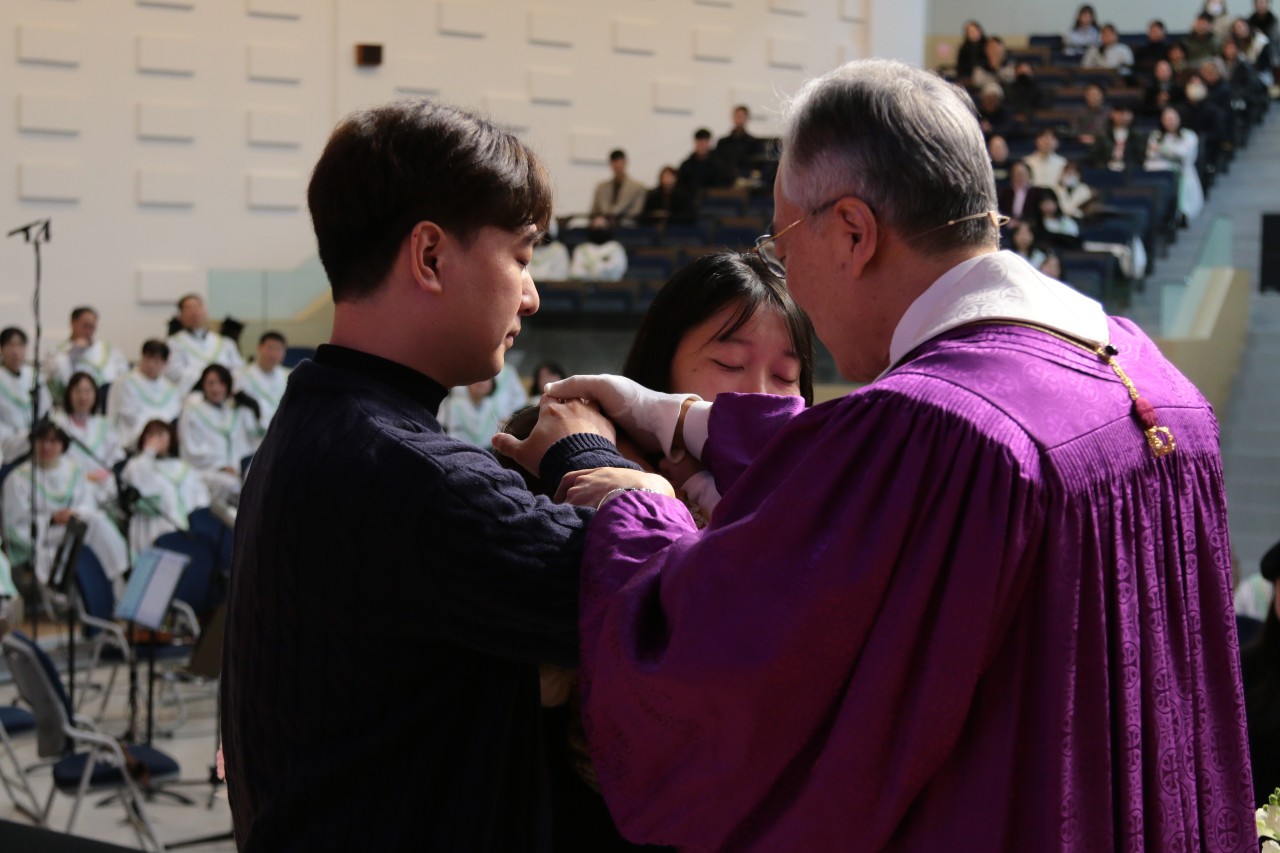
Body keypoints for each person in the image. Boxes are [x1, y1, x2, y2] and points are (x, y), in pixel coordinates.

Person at [504, 59, 1253, 849]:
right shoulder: (1153, 380)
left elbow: (709, 656)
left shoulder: (937, 430)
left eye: (784, 244)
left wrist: (623, 491)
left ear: (854, 232)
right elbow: (857, 474)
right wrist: (677, 416)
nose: (788, 275)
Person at [220, 99, 638, 852]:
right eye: (522, 255)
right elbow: (655, 591)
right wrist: (588, 453)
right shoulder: (411, 475)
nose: (532, 294)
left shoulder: (319, 423)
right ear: (431, 257)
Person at [2, 420, 128, 591]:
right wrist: (51, 519)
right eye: (41, 440)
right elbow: (14, 526)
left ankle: (117, 579)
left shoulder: (74, 470)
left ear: (63, 444)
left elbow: (87, 502)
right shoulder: (18, 478)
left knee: (97, 524)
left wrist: (74, 513)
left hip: (75, 526)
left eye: (53, 441)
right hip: (45, 536)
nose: (46, 446)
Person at [119, 419, 210, 558]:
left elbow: (201, 496)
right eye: (151, 435)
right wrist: (149, 452)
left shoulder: (184, 467)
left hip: (188, 527)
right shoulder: (137, 464)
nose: (156, 439)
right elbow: (138, 483)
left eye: (161, 434)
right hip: (156, 527)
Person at [178, 364, 260, 504]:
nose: (215, 389)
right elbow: (190, 450)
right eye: (210, 383)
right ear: (203, 385)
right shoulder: (192, 412)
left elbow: (251, 440)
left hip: (236, 471)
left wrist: (253, 408)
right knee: (235, 486)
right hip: (207, 471)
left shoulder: (235, 411)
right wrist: (221, 466)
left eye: (221, 383)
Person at [53, 372, 125, 503]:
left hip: (102, 483)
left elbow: (116, 456)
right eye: (78, 391)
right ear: (69, 394)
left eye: (87, 391)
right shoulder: (59, 423)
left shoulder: (104, 424)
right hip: (69, 483)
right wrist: (82, 476)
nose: (83, 396)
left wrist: (103, 473)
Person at [107, 339, 183, 450]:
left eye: (157, 360)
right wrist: (152, 434)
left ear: (165, 363)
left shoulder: (171, 389)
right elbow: (129, 416)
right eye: (149, 358)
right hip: (132, 441)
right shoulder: (124, 382)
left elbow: (173, 417)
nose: (152, 364)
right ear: (142, 357)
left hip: (163, 442)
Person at [165, 293, 245, 394]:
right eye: (189, 308)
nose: (195, 312)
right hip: (193, 396)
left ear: (205, 311)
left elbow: (239, 369)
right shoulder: (173, 343)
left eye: (198, 307)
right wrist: (207, 380)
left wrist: (223, 382)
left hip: (225, 396)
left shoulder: (226, 343)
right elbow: (174, 372)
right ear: (180, 316)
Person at [47, 306, 129, 402]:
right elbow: (57, 382)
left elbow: (124, 375)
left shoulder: (108, 349)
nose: (89, 331)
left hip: (106, 401)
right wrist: (74, 352)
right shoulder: (58, 352)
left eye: (92, 327)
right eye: (85, 326)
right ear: (73, 323)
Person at [1144, 106, 1206, 223]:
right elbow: (1151, 154)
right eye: (1165, 119)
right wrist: (1170, 152)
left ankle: (1179, 216)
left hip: (1183, 171)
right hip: (1158, 170)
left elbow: (1183, 154)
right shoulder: (1156, 135)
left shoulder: (1189, 135)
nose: (1169, 122)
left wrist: (1162, 149)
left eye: (1172, 119)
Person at [0, 327, 52, 462]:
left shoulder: (33, 375)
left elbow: (46, 408)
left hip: (37, 444)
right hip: (9, 445)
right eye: (10, 345)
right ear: (1, 349)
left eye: (20, 345)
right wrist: (18, 438)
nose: (15, 351)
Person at [235, 331, 291, 431]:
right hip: (253, 433)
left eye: (278, 349)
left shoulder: (289, 376)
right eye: (270, 348)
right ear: (260, 347)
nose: (273, 354)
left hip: (283, 431)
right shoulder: (242, 376)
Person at [589, 150, 646, 224]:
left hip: (626, 227)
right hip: (602, 227)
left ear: (625, 163)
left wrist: (612, 222)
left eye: (620, 162)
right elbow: (594, 211)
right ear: (611, 164)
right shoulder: (601, 187)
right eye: (614, 163)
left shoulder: (637, 187)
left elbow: (635, 213)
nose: (617, 166)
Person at [569, 215, 628, 281]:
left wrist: (590, 269)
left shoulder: (616, 248)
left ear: (608, 227)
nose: (599, 228)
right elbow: (576, 272)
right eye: (596, 226)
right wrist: (602, 266)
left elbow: (617, 271)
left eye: (602, 226)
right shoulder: (581, 249)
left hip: (611, 285)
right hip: (586, 285)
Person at [676, 128, 733, 194]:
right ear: (695, 143)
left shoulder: (720, 164)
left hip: (715, 197)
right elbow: (681, 187)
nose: (702, 145)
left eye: (705, 142)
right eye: (700, 142)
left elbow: (726, 184)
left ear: (709, 143)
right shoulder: (687, 166)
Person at [714, 105, 765, 179]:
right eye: (737, 116)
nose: (739, 119)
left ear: (747, 119)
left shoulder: (754, 143)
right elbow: (718, 163)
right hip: (726, 180)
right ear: (733, 118)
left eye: (742, 117)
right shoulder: (723, 143)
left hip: (748, 180)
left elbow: (757, 166)